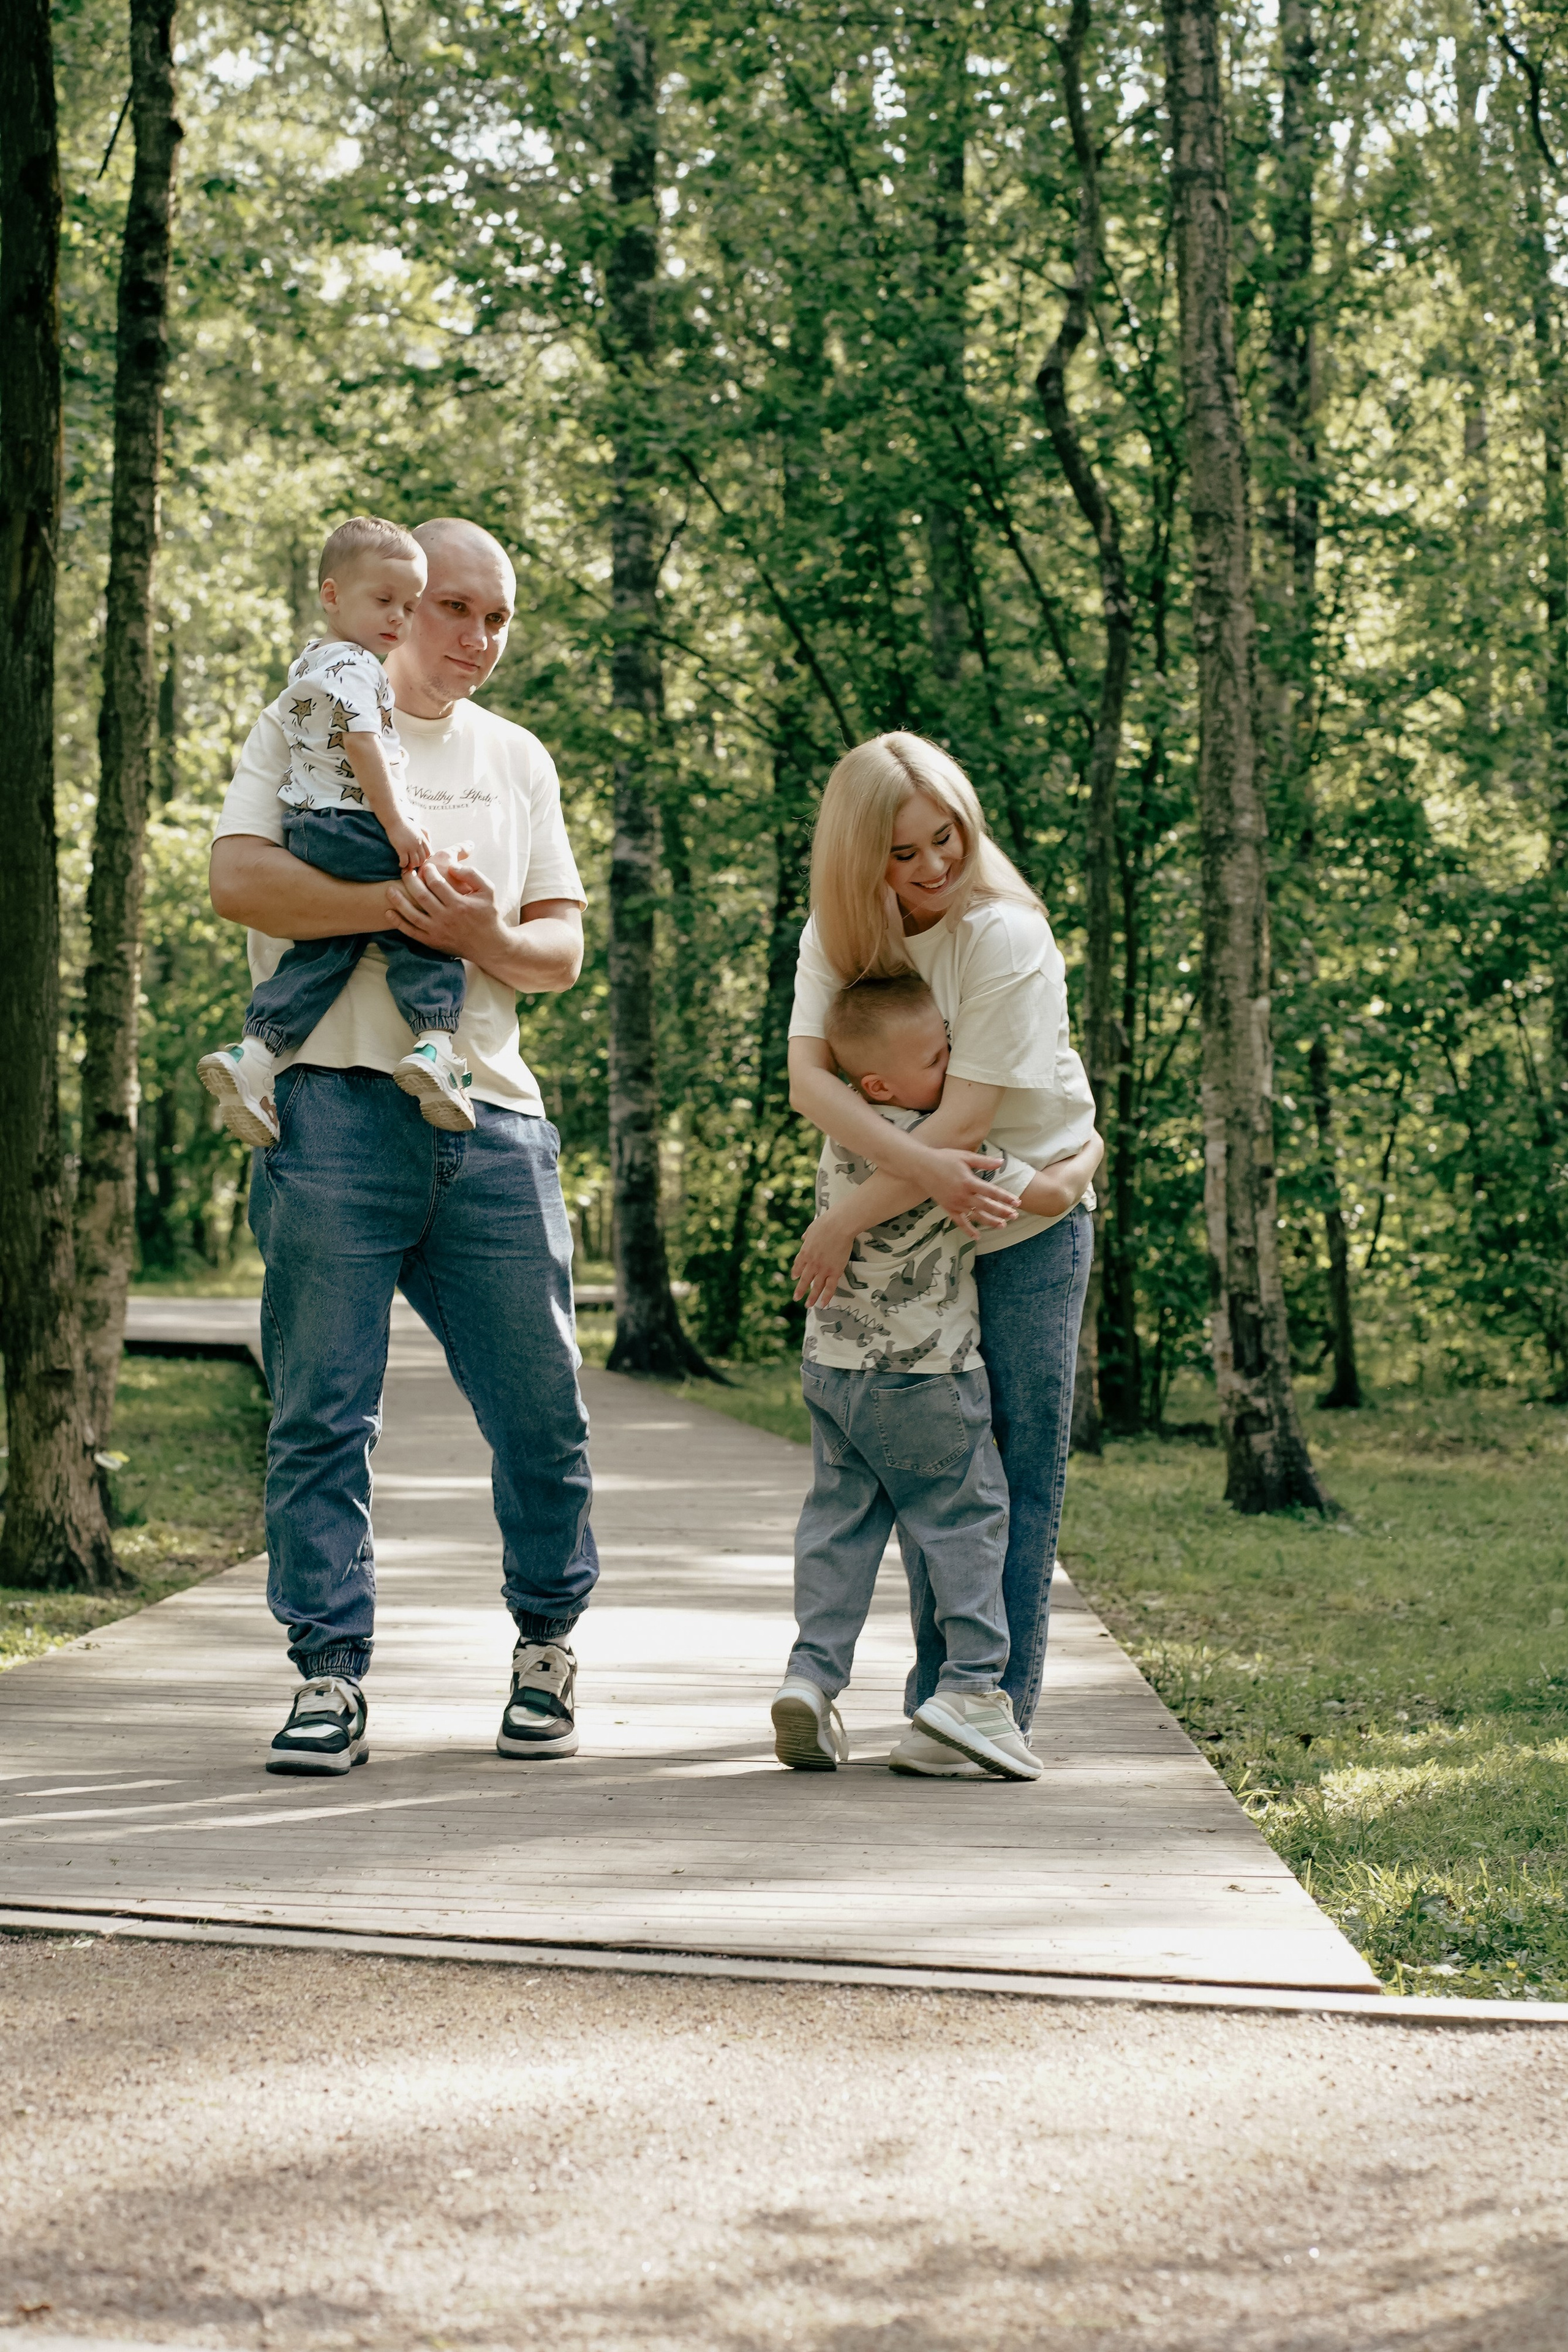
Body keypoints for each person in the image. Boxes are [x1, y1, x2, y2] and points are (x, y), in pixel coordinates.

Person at [208, 516, 598, 1776]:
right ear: (402, 602)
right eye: (456, 609)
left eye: (499, 617)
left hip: (488, 1125)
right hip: (325, 1118)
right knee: (322, 1418)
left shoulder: (516, 758)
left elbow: (557, 953)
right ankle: (328, 1676)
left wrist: (473, 933)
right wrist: (395, 906)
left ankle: (545, 1648)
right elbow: (241, 883)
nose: (478, 638)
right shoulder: (303, 717)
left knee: (542, 1415)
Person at [788, 733, 1097, 1776]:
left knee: (1011, 1460)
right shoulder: (838, 934)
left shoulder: (1003, 935)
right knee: (944, 1454)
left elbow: (963, 1119)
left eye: (946, 838)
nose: (931, 868)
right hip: (930, 1206)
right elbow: (811, 1084)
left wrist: (841, 1220)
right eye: (902, 851)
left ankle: (990, 1707)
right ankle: (941, 1704)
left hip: (1026, 1218)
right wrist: (865, 1212)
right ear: (857, 858)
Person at [200, 516, 477, 1144]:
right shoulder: (356, 666)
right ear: (332, 595)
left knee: (328, 945)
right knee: (429, 918)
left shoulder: (313, 661)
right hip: (353, 822)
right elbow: (363, 746)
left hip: (310, 827)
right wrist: (401, 825)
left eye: (408, 607)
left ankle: (257, 1055)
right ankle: (435, 1046)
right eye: (382, 601)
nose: (398, 619)